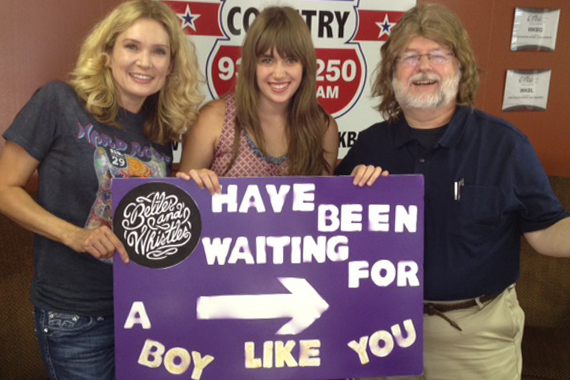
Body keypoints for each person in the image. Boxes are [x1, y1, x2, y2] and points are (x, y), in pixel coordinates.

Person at [335, 3, 570, 380]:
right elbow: (327, 236)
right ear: (392, 72)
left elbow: (546, 231)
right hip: (380, 327)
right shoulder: (369, 146)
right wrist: (353, 193)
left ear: (461, 68)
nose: (423, 66)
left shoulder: (505, 146)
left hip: (475, 336)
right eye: (409, 57)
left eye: (438, 55)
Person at [0, 1, 203, 379]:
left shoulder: (158, 132)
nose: (145, 61)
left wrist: (193, 188)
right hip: (75, 317)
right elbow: (4, 188)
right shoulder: (59, 101)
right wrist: (74, 235)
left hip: (143, 313)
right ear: (107, 53)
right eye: (132, 46)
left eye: (159, 52)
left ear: (171, 66)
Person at [177, 6, 383, 190]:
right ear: (251, 65)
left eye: (291, 60)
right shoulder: (214, 119)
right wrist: (198, 183)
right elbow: (182, 200)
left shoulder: (323, 127)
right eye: (267, 60)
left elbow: (322, 205)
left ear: (305, 66)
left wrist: (359, 182)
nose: (278, 73)